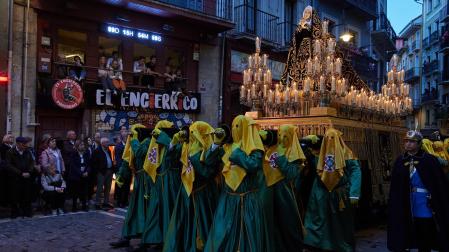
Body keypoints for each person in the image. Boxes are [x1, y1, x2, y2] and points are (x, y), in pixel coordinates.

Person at [204, 115, 270, 252]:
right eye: (233, 126)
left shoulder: (255, 150)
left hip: (247, 201)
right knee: (222, 232)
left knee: (247, 235)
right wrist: (216, 144)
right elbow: (209, 162)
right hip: (227, 199)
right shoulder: (228, 147)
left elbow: (253, 165)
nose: (234, 130)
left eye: (238, 126)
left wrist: (237, 153)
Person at [163, 122, 225, 252]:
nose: (190, 136)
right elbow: (170, 161)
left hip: (204, 194)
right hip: (187, 192)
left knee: (203, 225)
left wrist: (195, 157)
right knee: (186, 224)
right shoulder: (187, 147)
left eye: (193, 133)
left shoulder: (214, 150)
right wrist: (173, 143)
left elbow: (207, 173)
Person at [388, 130, 449, 252]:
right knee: (407, 227)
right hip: (406, 201)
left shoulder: (429, 160)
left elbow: (438, 183)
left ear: (419, 143)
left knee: (424, 228)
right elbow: (396, 185)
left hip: (424, 201)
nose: (408, 144)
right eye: (406, 141)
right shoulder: (400, 161)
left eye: (412, 141)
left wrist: (434, 197)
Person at [302, 128, 361, 252]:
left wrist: (354, 194)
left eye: (333, 138)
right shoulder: (318, 154)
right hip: (320, 193)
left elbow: (356, 172)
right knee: (319, 220)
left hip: (340, 194)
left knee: (339, 223)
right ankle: (318, 245)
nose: (330, 141)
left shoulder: (347, 155)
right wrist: (310, 141)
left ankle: (341, 246)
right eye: (328, 138)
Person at [263, 125, 306, 251]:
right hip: (268, 191)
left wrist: (281, 158)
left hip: (285, 194)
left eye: (285, 136)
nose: (281, 139)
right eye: (280, 135)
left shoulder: (294, 153)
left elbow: (292, 174)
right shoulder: (272, 149)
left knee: (287, 224)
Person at [110, 124, 152, 249]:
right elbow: (127, 160)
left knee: (145, 211)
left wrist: (133, 140)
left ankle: (146, 240)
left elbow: (140, 153)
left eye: (133, 133)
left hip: (147, 182)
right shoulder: (135, 143)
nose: (130, 136)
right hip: (139, 181)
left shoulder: (148, 142)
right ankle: (125, 237)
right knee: (132, 212)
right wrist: (121, 177)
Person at [140, 120, 177, 249]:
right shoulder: (154, 144)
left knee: (167, 212)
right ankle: (152, 239)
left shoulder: (171, 142)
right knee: (155, 212)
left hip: (169, 184)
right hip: (158, 184)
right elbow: (150, 166)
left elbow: (174, 153)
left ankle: (166, 240)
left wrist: (164, 138)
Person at [6, 137, 36, 218]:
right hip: (15, 177)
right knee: (15, 196)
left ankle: (26, 212)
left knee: (26, 195)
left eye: (26, 144)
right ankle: (14, 212)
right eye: (24, 144)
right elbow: (9, 165)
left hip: (26, 177)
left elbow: (32, 162)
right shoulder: (10, 152)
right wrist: (20, 173)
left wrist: (29, 171)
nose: (26, 146)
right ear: (18, 144)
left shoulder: (27, 151)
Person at [91, 137, 115, 210]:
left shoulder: (108, 150)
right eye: (107, 142)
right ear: (102, 143)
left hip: (109, 171)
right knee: (100, 188)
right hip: (101, 172)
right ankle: (97, 203)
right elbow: (94, 163)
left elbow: (110, 159)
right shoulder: (97, 151)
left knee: (108, 188)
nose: (108, 144)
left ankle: (106, 202)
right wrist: (98, 171)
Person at [68, 140, 91, 212]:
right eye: (81, 145)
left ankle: (84, 206)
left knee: (84, 191)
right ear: (77, 146)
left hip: (85, 175)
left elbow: (89, 164)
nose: (83, 146)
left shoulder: (87, 153)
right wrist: (81, 173)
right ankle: (74, 206)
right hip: (76, 176)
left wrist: (87, 171)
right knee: (75, 192)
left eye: (83, 145)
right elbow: (73, 165)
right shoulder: (73, 154)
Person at [114, 128, 130, 208]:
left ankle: (125, 201)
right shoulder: (118, 146)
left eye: (127, 136)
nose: (127, 138)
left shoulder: (129, 145)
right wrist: (121, 169)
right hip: (121, 169)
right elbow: (118, 158)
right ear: (123, 137)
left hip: (129, 169)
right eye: (126, 137)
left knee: (127, 186)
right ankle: (119, 202)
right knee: (120, 186)